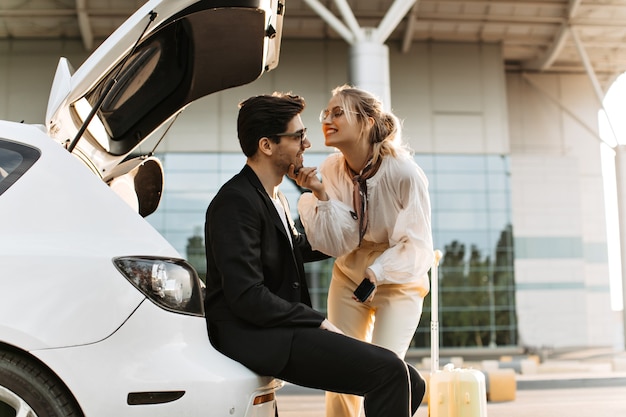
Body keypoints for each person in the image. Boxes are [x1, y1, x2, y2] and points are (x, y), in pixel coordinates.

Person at [203, 91, 426, 417]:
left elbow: (301, 248)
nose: (307, 144)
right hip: (258, 336)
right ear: (267, 145)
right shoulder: (235, 201)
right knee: (390, 373)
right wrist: (318, 322)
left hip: (282, 330)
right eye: (298, 136)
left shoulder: (273, 196)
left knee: (412, 381)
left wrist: (342, 222)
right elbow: (247, 296)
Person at [294, 85, 434, 417]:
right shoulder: (330, 168)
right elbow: (335, 238)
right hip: (348, 272)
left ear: (367, 121)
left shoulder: (404, 174)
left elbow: (416, 244)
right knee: (339, 377)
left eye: (337, 112)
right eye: (325, 114)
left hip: (398, 278)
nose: (327, 120)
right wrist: (319, 194)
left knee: (384, 370)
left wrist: (377, 273)